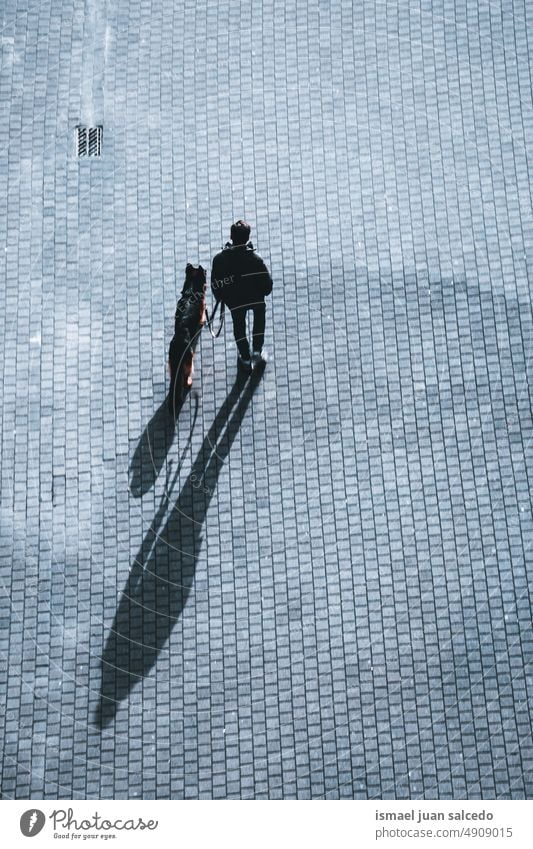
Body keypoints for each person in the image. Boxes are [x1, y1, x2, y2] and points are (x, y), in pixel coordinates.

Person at [210, 220, 273, 370]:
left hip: (235, 301)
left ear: (231, 236)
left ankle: (245, 357)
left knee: (239, 326)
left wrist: (221, 297)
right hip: (255, 298)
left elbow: (215, 283)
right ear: (247, 237)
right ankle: (257, 351)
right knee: (259, 321)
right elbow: (267, 285)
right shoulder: (256, 259)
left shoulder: (219, 259)